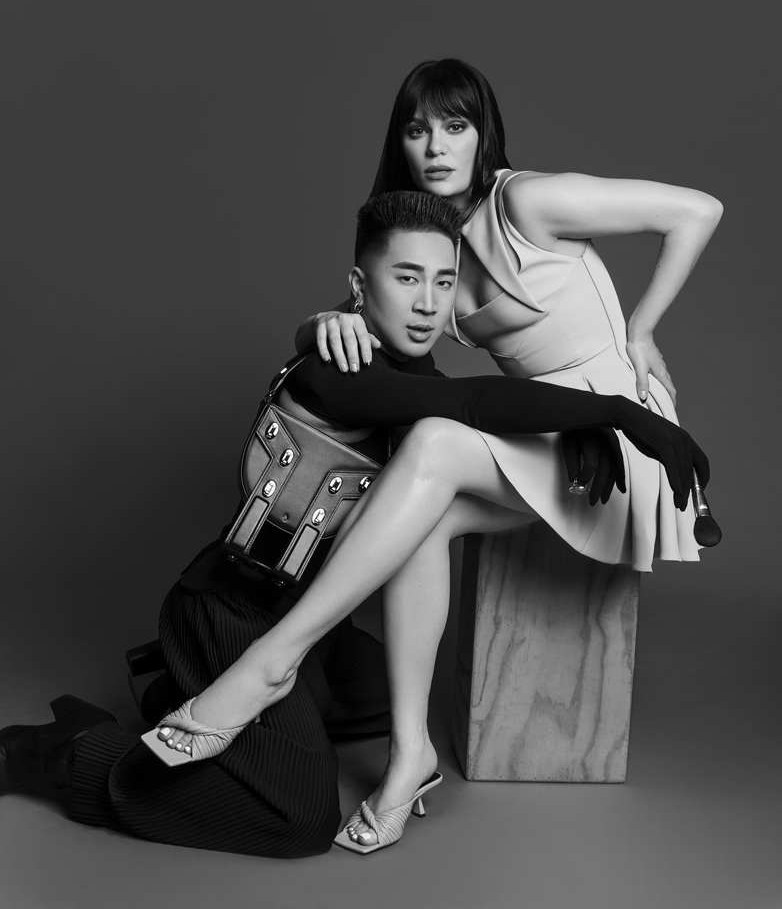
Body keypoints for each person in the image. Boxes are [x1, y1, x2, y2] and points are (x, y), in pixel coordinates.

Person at [0, 192, 707, 858]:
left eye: (443, 281)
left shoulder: (411, 371)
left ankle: (170, 689)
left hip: (318, 627)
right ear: (360, 286)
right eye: (407, 278)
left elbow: (483, 416)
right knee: (299, 817)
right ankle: (62, 750)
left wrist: (578, 430)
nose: (427, 303)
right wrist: (617, 412)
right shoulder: (340, 367)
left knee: (392, 701)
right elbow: (473, 403)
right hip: (229, 608)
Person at [290, 59, 724, 848]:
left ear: (483, 131)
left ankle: (282, 654)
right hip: (545, 431)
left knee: (431, 444)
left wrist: (642, 330)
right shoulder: (431, 245)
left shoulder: (525, 201)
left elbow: (698, 210)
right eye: (418, 129)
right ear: (400, 142)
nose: (436, 146)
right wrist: (324, 323)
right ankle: (411, 752)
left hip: (620, 437)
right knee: (422, 517)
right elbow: (369, 332)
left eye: (455, 125)